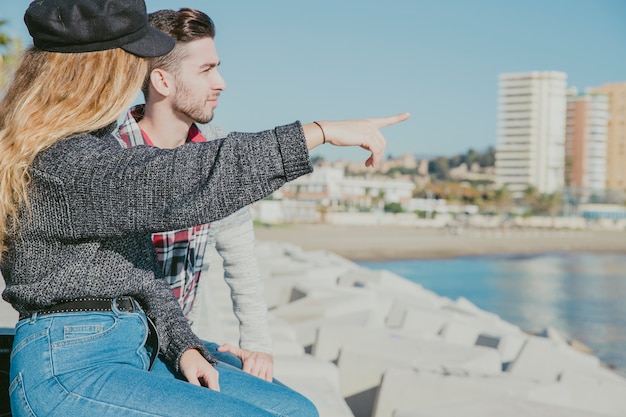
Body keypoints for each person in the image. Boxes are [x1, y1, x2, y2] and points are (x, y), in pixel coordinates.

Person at [0, 0, 409, 416]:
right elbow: (177, 180)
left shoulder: (94, 149)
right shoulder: (62, 161)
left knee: (297, 410)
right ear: (104, 72)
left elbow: (141, 277)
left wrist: (183, 346)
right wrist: (318, 133)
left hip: (136, 343)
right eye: (132, 59)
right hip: (70, 366)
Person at [116, 8, 275, 382]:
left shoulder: (215, 152)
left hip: (183, 354)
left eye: (217, 67)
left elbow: (241, 259)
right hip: (117, 351)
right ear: (162, 81)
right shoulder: (109, 151)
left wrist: (257, 345)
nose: (220, 82)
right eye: (205, 71)